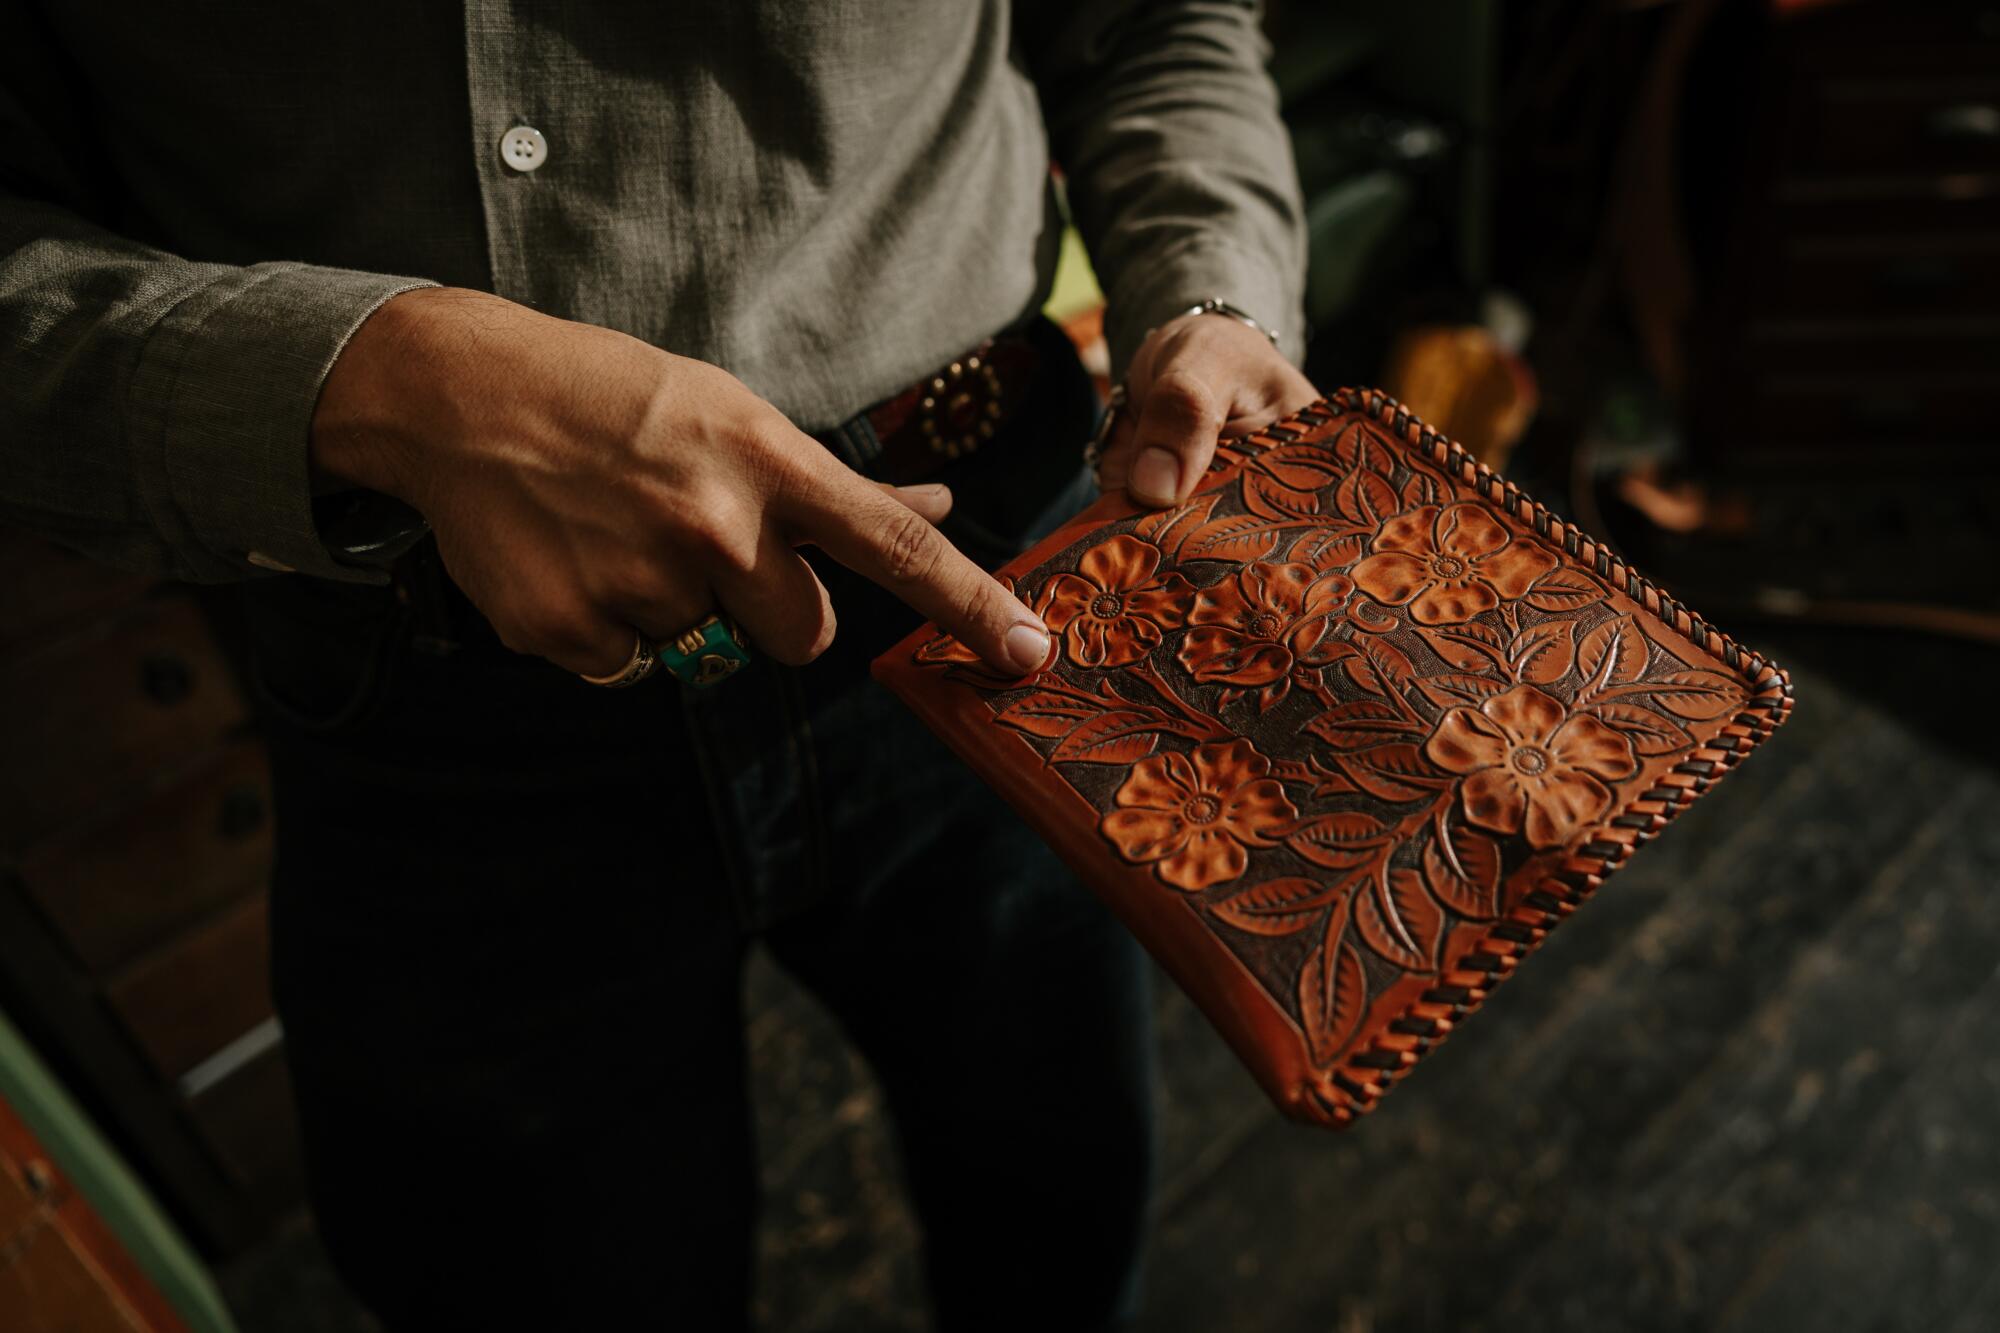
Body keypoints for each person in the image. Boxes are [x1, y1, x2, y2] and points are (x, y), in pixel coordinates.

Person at [1, 2, 1310, 1326]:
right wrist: (373, 377)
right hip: (421, 674)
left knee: (1060, 1214)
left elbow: (1154, 22)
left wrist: (1216, 288)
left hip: (994, 590)